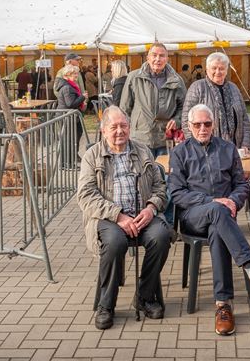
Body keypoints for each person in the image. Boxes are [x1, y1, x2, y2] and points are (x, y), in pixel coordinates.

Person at [169, 104, 250, 335]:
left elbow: (242, 185)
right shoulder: (180, 153)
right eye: (197, 125)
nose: (202, 128)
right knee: (217, 211)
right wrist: (213, 201)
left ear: (214, 124)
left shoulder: (228, 149)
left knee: (218, 228)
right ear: (189, 126)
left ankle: (223, 305)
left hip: (222, 217)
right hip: (193, 216)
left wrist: (233, 202)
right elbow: (176, 193)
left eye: (207, 124)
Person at [76, 106, 171, 330]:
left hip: (142, 215)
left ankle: (145, 295)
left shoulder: (143, 151)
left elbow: (160, 187)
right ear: (103, 130)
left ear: (130, 128)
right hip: (109, 218)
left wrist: (150, 209)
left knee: (161, 236)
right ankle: (106, 305)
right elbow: (85, 195)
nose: (120, 131)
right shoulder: (92, 156)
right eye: (114, 127)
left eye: (124, 126)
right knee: (115, 243)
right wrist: (117, 215)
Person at [120, 42, 186, 158]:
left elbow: (184, 108)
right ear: (148, 58)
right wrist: (129, 130)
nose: (157, 59)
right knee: (142, 174)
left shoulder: (177, 80)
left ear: (167, 59)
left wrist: (177, 120)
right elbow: (125, 108)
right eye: (154, 55)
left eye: (162, 56)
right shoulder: (134, 77)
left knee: (164, 172)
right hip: (140, 138)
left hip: (165, 138)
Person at [182, 52, 250, 153]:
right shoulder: (197, 87)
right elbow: (186, 120)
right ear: (207, 69)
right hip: (206, 151)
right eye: (214, 68)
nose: (218, 71)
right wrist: (196, 147)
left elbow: (244, 119)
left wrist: (245, 145)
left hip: (235, 150)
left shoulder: (234, 88)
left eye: (222, 68)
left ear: (226, 70)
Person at [55, 65, 86, 166]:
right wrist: (82, 97)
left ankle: (68, 162)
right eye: (74, 74)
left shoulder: (69, 86)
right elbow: (70, 104)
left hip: (69, 117)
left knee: (70, 139)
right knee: (69, 140)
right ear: (67, 75)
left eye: (77, 74)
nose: (76, 76)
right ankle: (67, 163)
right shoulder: (67, 87)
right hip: (67, 117)